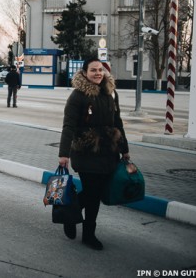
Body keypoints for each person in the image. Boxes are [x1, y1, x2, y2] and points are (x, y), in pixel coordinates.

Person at [58, 58, 130, 250]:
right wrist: (64, 154)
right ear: (84, 72)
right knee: (92, 193)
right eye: (93, 70)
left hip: (108, 152)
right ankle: (88, 234)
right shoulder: (78, 96)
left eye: (101, 70)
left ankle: (69, 215)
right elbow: (68, 126)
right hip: (86, 151)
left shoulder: (111, 93)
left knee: (94, 194)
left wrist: (125, 149)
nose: (98, 73)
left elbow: (118, 122)